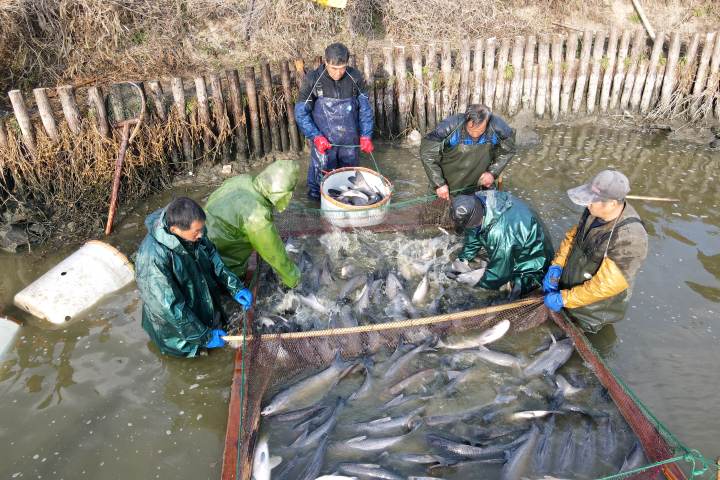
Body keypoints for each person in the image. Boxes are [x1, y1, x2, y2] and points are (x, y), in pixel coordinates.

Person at [135, 197, 253, 358]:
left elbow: (213, 258)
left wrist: (235, 287)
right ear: (175, 229)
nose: (201, 235)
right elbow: (170, 308)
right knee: (200, 358)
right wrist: (204, 337)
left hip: (200, 303)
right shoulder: (152, 259)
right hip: (176, 334)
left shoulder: (195, 233)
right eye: (196, 231)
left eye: (202, 229)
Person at [543, 170, 648, 333]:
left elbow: (605, 286)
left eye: (593, 201)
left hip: (591, 312)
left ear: (612, 204)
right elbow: (573, 237)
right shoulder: (593, 212)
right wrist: (556, 266)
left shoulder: (630, 238)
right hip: (569, 293)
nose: (587, 204)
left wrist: (564, 298)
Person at [294, 42, 375, 200]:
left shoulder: (355, 77)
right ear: (326, 62)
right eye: (333, 68)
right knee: (318, 188)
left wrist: (366, 135)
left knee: (350, 184)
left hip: (350, 144)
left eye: (342, 68)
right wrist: (316, 137)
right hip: (324, 143)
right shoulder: (313, 79)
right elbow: (300, 113)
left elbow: (365, 109)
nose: (338, 73)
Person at [205, 160, 301, 289]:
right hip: (220, 258)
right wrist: (293, 278)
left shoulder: (243, 179)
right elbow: (275, 255)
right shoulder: (258, 217)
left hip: (201, 235)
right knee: (233, 280)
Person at [450, 190, 553, 296]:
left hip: (535, 258)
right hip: (520, 229)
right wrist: (463, 258)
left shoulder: (500, 232)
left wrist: (473, 281)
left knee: (516, 289)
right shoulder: (478, 199)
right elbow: (474, 232)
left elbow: (499, 275)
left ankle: (527, 282)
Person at [420, 104, 516, 201]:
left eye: (480, 131)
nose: (475, 135)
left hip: (479, 184)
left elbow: (508, 150)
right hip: (447, 185)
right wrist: (439, 184)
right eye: (471, 130)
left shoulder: (499, 128)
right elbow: (428, 154)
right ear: (466, 119)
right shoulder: (448, 126)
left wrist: (493, 172)